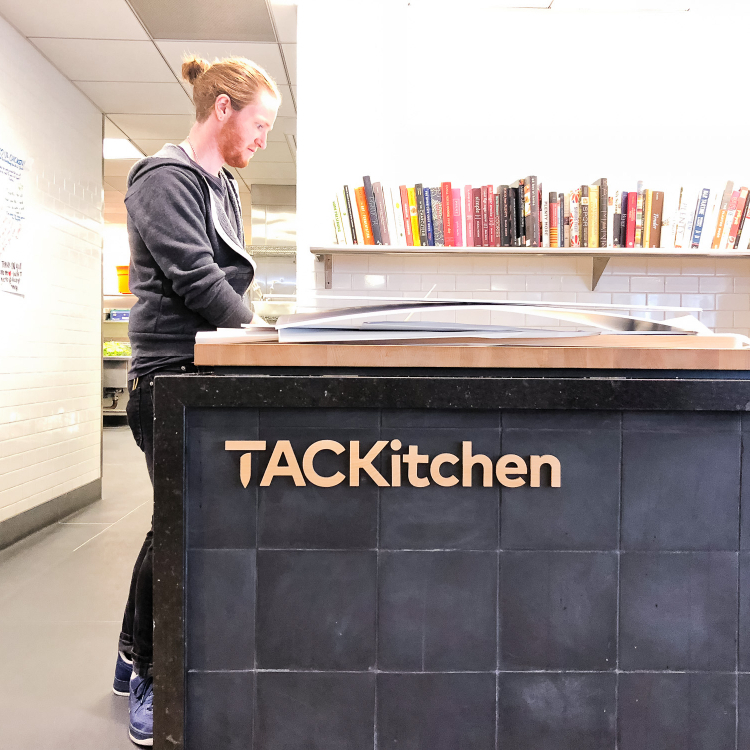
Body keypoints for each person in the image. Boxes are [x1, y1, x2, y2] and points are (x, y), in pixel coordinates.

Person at [113, 55, 280, 746]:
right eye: (260, 123)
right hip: (166, 378)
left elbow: (226, 282)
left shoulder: (225, 188)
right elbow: (196, 278)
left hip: (204, 368)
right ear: (222, 109)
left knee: (172, 521)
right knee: (176, 525)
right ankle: (151, 675)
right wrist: (266, 334)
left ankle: (129, 653)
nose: (263, 138)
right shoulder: (163, 178)